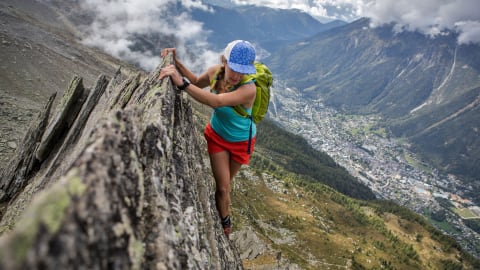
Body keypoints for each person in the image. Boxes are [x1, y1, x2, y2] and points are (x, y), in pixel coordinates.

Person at [158, 40, 258, 238]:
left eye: (243, 71)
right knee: (222, 187)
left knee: (225, 184)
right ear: (224, 61)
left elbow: (217, 101)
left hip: (241, 143)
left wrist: (181, 83)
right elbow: (195, 81)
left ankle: (224, 223)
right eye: (234, 69)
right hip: (217, 136)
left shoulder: (249, 89)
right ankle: (225, 224)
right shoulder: (215, 72)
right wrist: (176, 63)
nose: (237, 75)